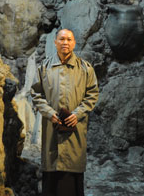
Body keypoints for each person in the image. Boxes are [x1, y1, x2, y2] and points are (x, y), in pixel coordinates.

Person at [31, 28, 99, 196]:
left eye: (69, 39)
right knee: (51, 171)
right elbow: (36, 94)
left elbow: (92, 94)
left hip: (75, 130)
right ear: (55, 42)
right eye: (61, 39)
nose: (65, 43)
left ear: (74, 43)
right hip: (52, 130)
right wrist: (49, 113)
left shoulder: (85, 69)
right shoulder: (44, 68)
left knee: (72, 172)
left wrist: (77, 114)